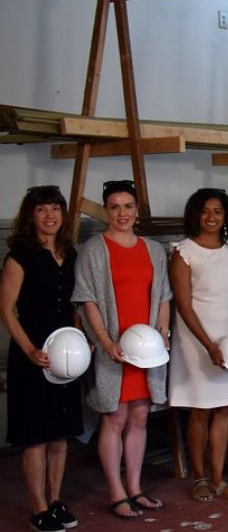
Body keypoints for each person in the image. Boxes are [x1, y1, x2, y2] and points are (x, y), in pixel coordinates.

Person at [72, 180, 172, 518]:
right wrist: (105, 341)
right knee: (114, 417)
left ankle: (135, 486)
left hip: (146, 349)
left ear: (136, 210)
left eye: (128, 206)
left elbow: (163, 296)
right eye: (114, 207)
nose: (122, 213)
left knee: (140, 415)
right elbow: (86, 299)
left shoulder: (154, 249)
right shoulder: (93, 249)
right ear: (106, 211)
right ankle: (116, 490)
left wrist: (162, 331)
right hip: (113, 348)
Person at [0, 186, 82, 532]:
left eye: (55, 209)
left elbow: (77, 303)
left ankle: (54, 499)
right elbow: (5, 309)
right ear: (30, 215)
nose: (49, 216)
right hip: (33, 356)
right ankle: (38, 508)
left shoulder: (70, 252)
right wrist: (29, 349)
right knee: (35, 435)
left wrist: (82, 341)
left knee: (60, 434)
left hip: (67, 356)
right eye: (41, 210)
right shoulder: (20, 256)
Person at [168, 188, 228, 502]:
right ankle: (199, 477)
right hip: (195, 340)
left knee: (223, 407)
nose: (211, 217)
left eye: (218, 211)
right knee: (200, 410)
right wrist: (208, 346)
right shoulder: (184, 251)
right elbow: (184, 306)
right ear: (195, 215)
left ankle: (218, 479)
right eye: (205, 211)